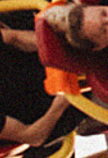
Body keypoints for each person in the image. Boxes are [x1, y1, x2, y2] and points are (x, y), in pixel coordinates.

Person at [0, 18, 69, 151]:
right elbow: (33, 136)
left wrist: (53, 46)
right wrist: (63, 102)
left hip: (49, 57)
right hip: (59, 107)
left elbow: (14, 37)